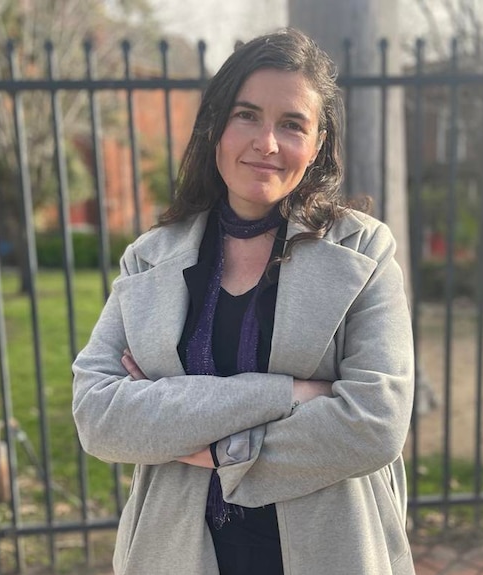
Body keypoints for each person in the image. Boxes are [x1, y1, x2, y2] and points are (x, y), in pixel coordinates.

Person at [72, 28, 415, 575]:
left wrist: (205, 444)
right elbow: (98, 415)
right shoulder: (148, 258)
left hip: (331, 549)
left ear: (319, 141)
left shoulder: (364, 249)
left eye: (292, 124)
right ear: (216, 126)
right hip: (177, 549)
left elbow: (375, 422)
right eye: (247, 115)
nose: (267, 143)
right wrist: (291, 394)